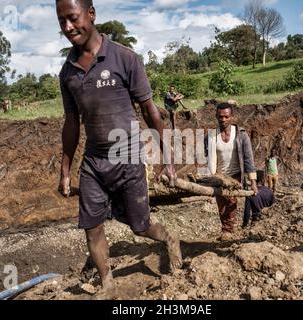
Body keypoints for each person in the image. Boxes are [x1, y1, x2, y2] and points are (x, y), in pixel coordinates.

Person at [56, 0, 182, 293]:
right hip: (94, 163)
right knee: (92, 225)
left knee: (140, 226)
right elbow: (71, 124)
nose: (67, 27)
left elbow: (151, 112)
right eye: (61, 22)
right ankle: (108, 284)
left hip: (128, 159)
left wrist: (169, 158)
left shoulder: (125, 58)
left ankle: (169, 238)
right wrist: (65, 171)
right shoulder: (68, 73)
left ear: (91, 14)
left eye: (72, 18)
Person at [206, 102, 258, 241]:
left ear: (232, 117)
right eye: (220, 117)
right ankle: (226, 228)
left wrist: (253, 181)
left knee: (230, 201)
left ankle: (227, 230)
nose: (223, 120)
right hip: (219, 175)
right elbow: (208, 156)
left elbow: (248, 158)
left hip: (236, 174)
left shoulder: (241, 135)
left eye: (226, 117)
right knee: (221, 203)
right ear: (216, 116)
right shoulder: (211, 136)